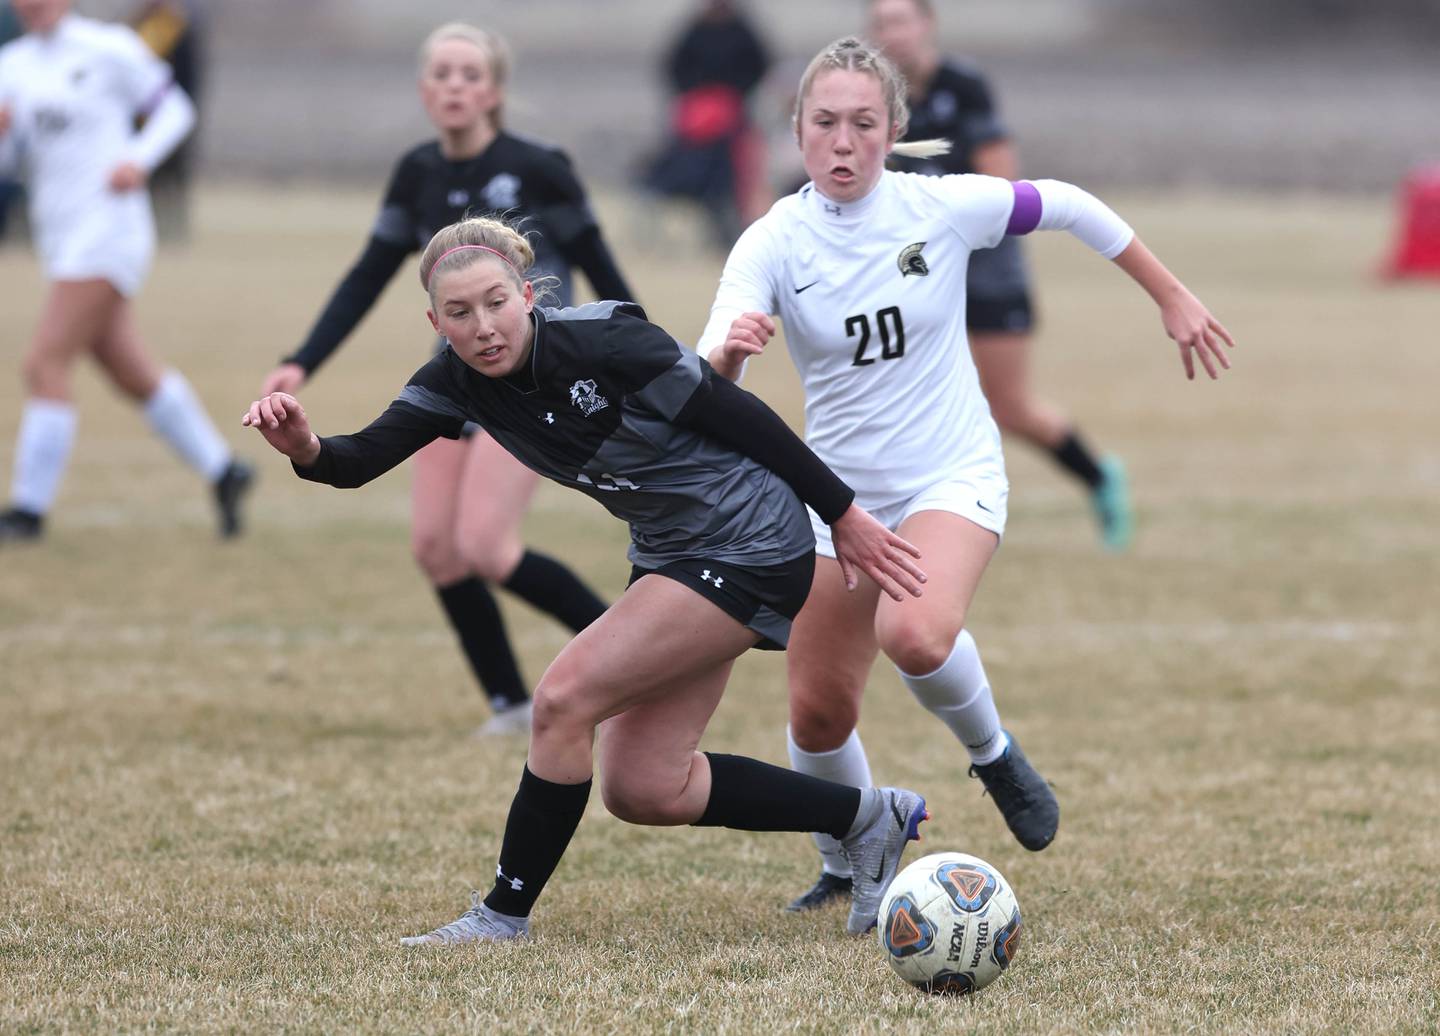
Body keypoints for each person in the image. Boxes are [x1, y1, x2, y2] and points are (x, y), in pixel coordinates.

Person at [242, 215, 933, 943]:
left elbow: (744, 416)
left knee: (562, 701)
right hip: (672, 550)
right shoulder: (456, 382)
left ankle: (502, 915)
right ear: (435, 322)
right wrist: (306, 446)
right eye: (459, 313)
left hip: (748, 539)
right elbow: (356, 460)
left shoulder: (607, 342)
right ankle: (868, 817)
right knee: (646, 786)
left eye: (496, 302)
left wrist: (844, 514)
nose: (483, 327)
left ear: (529, 294)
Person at [696, 37, 1235, 911]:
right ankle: (846, 857)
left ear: (894, 129)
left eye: (863, 124)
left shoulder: (941, 208)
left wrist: (1170, 294)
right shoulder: (772, 242)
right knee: (819, 715)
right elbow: (708, 379)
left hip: (950, 474)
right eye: (824, 123)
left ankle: (993, 755)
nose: (842, 141)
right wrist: (729, 353)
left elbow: (1065, 204)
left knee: (914, 635)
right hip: (833, 500)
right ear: (796, 131)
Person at [259, 23, 632, 735]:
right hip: (457, 377)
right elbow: (368, 275)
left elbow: (601, 267)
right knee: (437, 547)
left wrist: (637, 352)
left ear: (493, 90)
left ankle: (638, 654)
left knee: (487, 546)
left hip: (531, 378)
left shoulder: (540, 166)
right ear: (425, 89)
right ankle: (509, 705)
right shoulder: (418, 172)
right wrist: (304, 359)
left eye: (469, 74)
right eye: (441, 74)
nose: (454, 86)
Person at [868, 0, 1134, 550]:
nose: (890, 33)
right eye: (880, 22)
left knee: (1009, 406)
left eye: (900, 20)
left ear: (927, 25)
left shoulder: (963, 86)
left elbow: (1004, 183)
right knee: (903, 394)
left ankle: (1098, 476)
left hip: (986, 270)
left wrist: (939, 202)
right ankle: (914, 518)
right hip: (915, 274)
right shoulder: (868, 98)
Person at [0, 0, 252, 544]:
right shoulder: (12, 65)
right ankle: (224, 471)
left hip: (109, 231)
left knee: (44, 361)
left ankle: (26, 512)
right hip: (60, 237)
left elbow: (175, 109)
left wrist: (137, 158)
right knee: (127, 369)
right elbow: (11, 161)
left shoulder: (109, 49)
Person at [641, 0, 771, 247]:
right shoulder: (695, 30)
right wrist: (696, 93)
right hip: (697, 119)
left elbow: (758, 65)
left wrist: (734, 93)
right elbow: (675, 67)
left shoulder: (742, 31)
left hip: (730, 119)